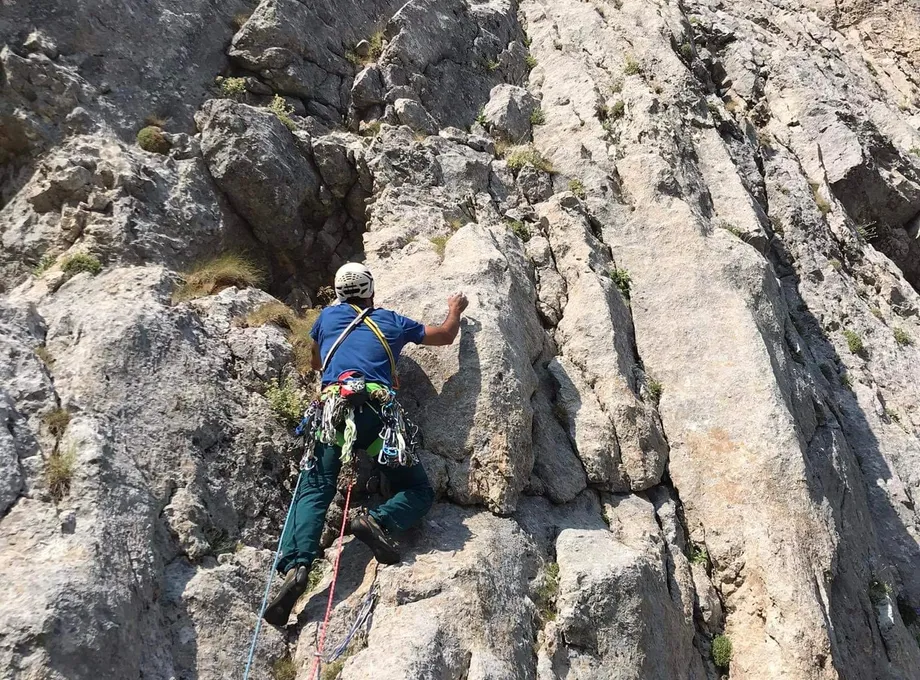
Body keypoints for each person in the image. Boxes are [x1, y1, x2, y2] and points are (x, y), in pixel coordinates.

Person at [263, 262, 469, 626]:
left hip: (334, 415)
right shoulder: (391, 321)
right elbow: (445, 336)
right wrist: (455, 309)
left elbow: (315, 360)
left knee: (314, 488)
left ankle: (297, 568)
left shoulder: (326, 319)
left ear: (339, 293)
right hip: (376, 420)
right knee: (416, 488)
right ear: (371, 290)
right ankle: (376, 520)